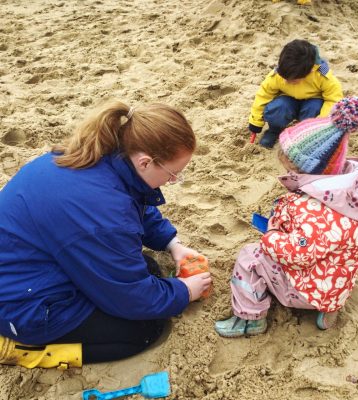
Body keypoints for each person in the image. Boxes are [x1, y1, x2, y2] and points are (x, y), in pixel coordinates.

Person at [0, 100, 212, 369]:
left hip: (31, 265)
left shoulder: (102, 154)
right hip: (22, 306)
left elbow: (135, 202)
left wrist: (173, 244)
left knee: (147, 268)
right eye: (173, 174)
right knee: (144, 329)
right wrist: (185, 292)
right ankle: (25, 351)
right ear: (146, 162)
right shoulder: (103, 211)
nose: (173, 181)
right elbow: (133, 299)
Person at [216, 97, 358, 337]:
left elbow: (298, 254)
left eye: (290, 170)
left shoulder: (311, 208)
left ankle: (249, 318)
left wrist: (272, 236)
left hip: (306, 290)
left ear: (308, 171)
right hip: (336, 284)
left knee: (250, 257)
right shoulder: (354, 195)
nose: (286, 173)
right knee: (342, 257)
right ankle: (330, 309)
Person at [248, 39, 343, 149]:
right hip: (288, 101)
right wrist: (255, 122)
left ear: (311, 70)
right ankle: (274, 131)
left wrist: (320, 125)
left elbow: (333, 100)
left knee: (314, 108)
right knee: (278, 107)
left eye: (292, 80)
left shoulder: (322, 75)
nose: (287, 81)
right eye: (285, 78)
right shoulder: (278, 74)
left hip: (312, 101)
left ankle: (306, 135)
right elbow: (263, 95)